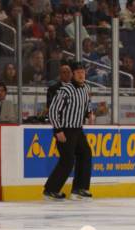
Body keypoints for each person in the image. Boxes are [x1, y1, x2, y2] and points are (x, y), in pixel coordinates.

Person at [44, 61, 94, 201]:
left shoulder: (86, 88)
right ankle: (50, 190)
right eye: (78, 73)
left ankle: (79, 189)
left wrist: (89, 113)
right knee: (67, 160)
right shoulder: (65, 90)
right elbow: (53, 110)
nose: (81, 75)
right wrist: (58, 129)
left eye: (83, 72)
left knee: (85, 154)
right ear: (73, 74)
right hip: (65, 129)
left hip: (78, 129)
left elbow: (86, 105)